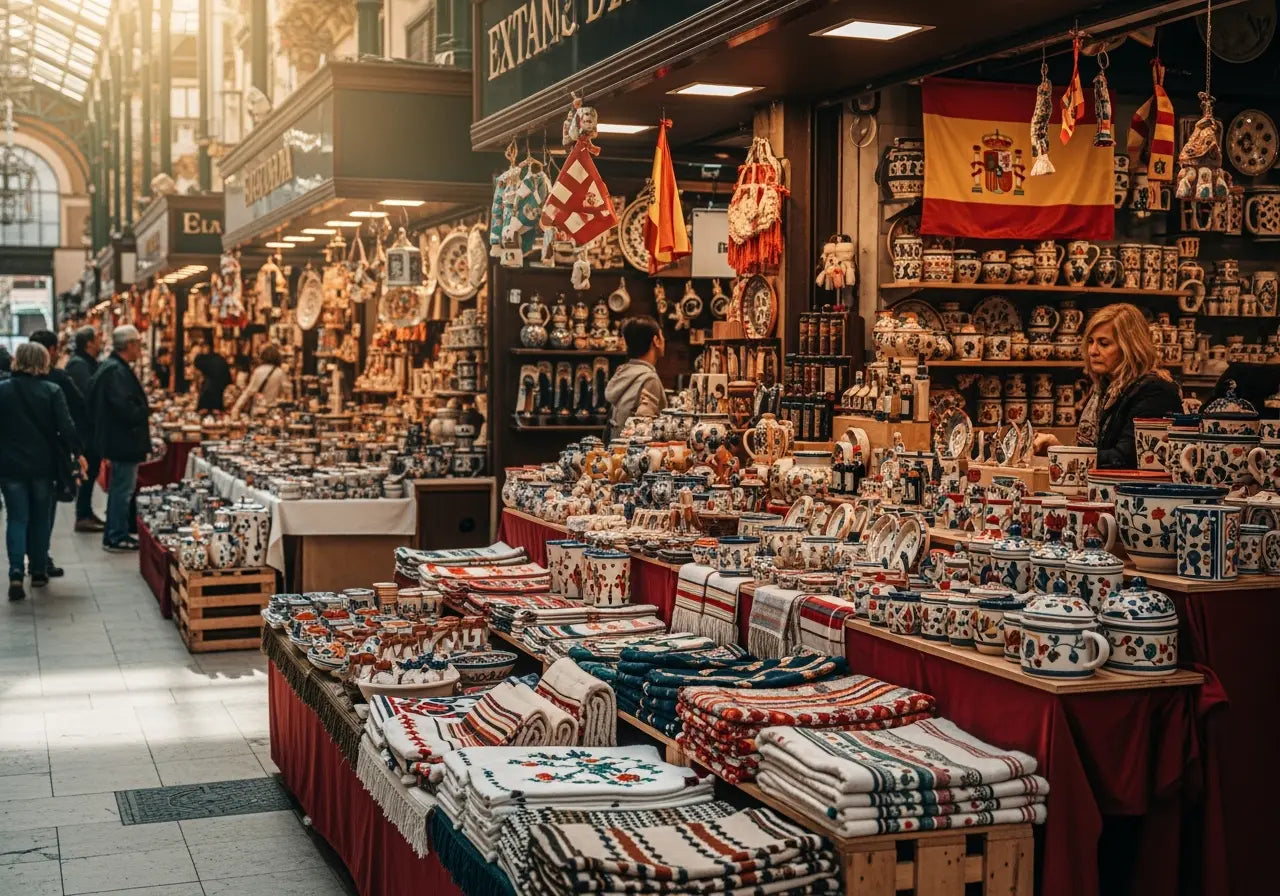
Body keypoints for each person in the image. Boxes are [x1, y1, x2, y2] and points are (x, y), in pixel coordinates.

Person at [1040, 303, 1182, 468]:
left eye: (1104, 343)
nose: (1093, 351)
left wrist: (1061, 451)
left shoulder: (1155, 392)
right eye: (1090, 342)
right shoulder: (1105, 390)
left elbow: (1124, 458)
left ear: (1130, 347)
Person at [0, 343, 86, 600]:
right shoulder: (51, 390)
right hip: (43, 464)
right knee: (40, 517)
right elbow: (66, 426)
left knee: (16, 518)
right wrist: (78, 452)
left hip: (10, 465)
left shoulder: (2, 390)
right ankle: (38, 570)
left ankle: (16, 572)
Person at [28, 330, 88, 578]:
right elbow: (79, 407)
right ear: (51, 350)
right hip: (49, 455)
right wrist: (76, 447)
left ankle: (23, 565)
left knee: (22, 514)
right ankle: (40, 560)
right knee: (45, 510)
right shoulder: (57, 380)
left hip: (16, 459)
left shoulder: (10, 382)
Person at [88, 326, 152, 552]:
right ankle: (116, 535)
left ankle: (116, 532)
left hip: (120, 439)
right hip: (124, 440)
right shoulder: (116, 371)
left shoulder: (113, 367)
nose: (140, 349)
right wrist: (143, 410)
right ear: (129, 345)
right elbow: (123, 407)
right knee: (122, 490)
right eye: (138, 344)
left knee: (121, 489)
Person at [64, 325, 104, 531]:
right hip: (85, 429)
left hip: (90, 428)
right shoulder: (78, 365)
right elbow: (86, 394)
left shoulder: (85, 363)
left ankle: (86, 512)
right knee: (88, 471)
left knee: (92, 470)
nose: (101, 342)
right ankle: (82, 515)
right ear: (89, 343)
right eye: (97, 339)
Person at [604, 316, 667, 440]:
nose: (664, 340)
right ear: (656, 341)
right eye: (662, 336)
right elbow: (646, 431)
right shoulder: (649, 379)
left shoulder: (623, 372)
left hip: (616, 447)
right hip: (635, 449)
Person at [231, 343, 288, 417]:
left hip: (258, 410)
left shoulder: (258, 371)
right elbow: (287, 391)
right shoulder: (280, 372)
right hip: (273, 411)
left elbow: (248, 392)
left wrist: (236, 408)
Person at [192, 345, 232, 411]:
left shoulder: (205, 363)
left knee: (209, 392)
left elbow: (205, 388)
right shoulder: (212, 360)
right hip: (221, 382)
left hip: (217, 381)